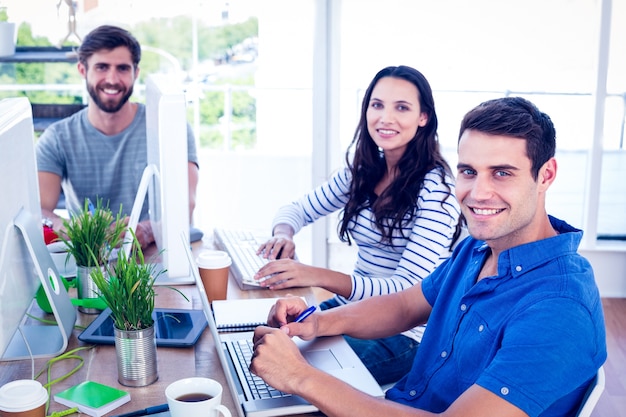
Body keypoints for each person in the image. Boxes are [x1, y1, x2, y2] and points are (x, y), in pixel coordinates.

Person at [250, 96, 607, 417]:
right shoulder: (477, 248)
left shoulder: (560, 306)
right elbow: (406, 306)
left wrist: (300, 377)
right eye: (468, 172)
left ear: (546, 175)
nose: (478, 193)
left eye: (502, 173)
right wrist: (318, 323)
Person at [254, 65, 462, 385]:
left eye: (402, 107)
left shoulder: (437, 192)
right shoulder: (364, 172)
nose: (385, 117)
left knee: (287, 368)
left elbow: (406, 292)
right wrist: (284, 234)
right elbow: (295, 210)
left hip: (407, 335)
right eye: (377, 105)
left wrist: (316, 274)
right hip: (353, 310)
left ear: (424, 117)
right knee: (265, 342)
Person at [36, 25, 199, 248]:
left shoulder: (169, 128)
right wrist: (63, 226)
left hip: (152, 254)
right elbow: (39, 209)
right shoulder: (57, 138)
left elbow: (185, 205)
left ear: (136, 73)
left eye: (122, 68)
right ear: (83, 70)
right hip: (89, 260)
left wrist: (146, 230)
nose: (112, 79)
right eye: (102, 67)